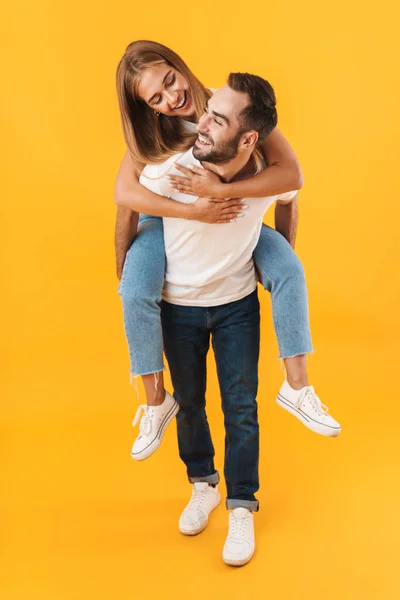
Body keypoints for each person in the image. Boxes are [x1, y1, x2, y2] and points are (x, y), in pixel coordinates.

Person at [136, 73, 339, 566]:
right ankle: (202, 484)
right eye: (207, 112)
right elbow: (128, 197)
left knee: (241, 409)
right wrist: (127, 265)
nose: (201, 122)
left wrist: (282, 257)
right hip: (178, 307)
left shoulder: (263, 177)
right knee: (190, 405)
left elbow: (291, 194)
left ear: (248, 139)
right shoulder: (177, 166)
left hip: (236, 308)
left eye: (217, 118)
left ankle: (242, 504)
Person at [115, 41, 341, 461]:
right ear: (146, 107)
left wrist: (224, 196)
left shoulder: (230, 105)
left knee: (289, 269)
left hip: (231, 210)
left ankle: (297, 387)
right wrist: (197, 209)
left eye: (170, 80)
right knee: (133, 290)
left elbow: (290, 176)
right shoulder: (153, 136)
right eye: (156, 98)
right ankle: (154, 401)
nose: (172, 97)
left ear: (178, 65)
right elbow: (125, 196)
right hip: (163, 219)